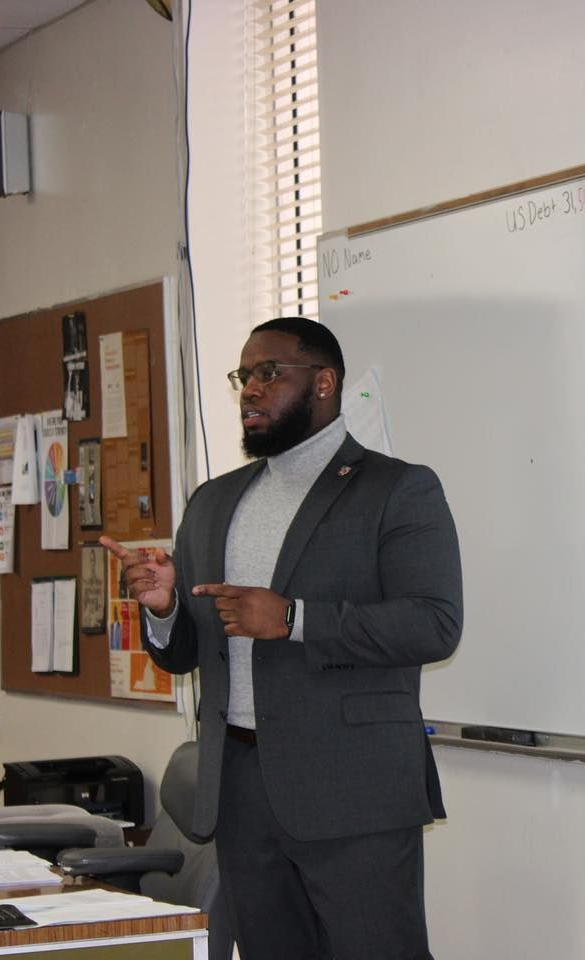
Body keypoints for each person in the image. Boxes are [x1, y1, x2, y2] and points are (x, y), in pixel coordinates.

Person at [101, 317, 463, 960]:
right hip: (240, 783)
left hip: (353, 790)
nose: (250, 390)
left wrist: (295, 619)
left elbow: (434, 623)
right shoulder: (213, 502)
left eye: (270, 373)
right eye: (244, 376)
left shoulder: (396, 489)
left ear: (324, 382)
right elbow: (190, 650)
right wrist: (162, 608)